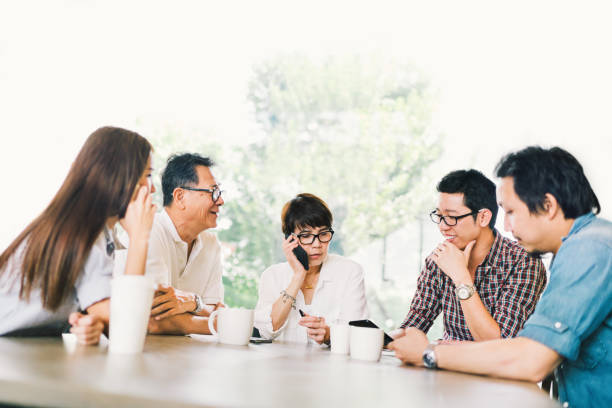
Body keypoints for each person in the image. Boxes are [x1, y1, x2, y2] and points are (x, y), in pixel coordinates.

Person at [389, 147, 611, 408]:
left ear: (548, 206)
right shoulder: (583, 245)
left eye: (511, 212)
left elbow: (530, 358)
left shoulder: (589, 249)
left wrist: (431, 353)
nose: (505, 226)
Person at [0, 126, 156, 345]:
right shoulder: (87, 237)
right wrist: (140, 237)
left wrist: (95, 323)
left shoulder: (92, 229)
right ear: (122, 177)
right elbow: (126, 329)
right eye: (148, 175)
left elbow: (109, 316)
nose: (153, 189)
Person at [398, 169, 546, 342]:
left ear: (483, 217)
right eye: (439, 216)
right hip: (446, 362)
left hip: (498, 367)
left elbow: (499, 343)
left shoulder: (523, 261)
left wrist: (461, 277)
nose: (443, 226)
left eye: (452, 217)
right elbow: (413, 325)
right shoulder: (440, 259)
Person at [254, 193, 368, 344]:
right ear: (290, 239)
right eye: (306, 235)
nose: (317, 244)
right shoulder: (272, 275)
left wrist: (329, 335)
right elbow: (266, 331)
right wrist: (298, 276)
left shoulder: (350, 271)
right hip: (282, 365)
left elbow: (359, 334)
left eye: (323, 233)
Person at [144, 153, 225, 335]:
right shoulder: (149, 232)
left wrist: (192, 302)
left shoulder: (211, 244)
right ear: (180, 197)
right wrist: (214, 323)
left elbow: (218, 312)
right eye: (213, 192)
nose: (220, 201)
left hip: (189, 355)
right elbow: (154, 320)